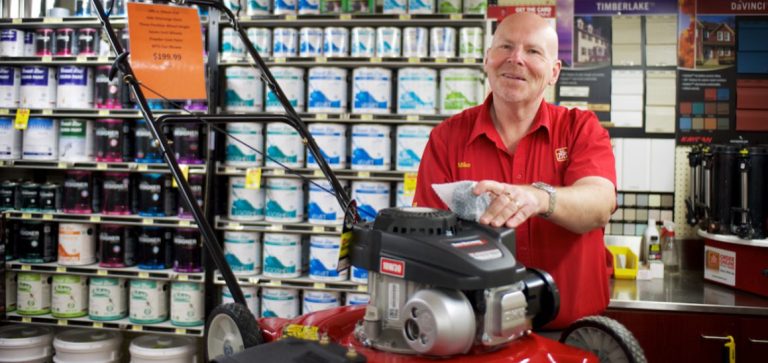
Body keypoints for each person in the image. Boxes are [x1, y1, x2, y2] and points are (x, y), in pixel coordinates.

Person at [413, 12, 617, 329]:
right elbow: (424, 237)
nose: (515, 59)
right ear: (487, 59)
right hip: (476, 336)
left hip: (572, 335)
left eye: (533, 51)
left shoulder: (581, 129)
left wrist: (538, 198)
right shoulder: (447, 138)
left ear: (554, 72)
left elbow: (599, 206)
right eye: (505, 46)